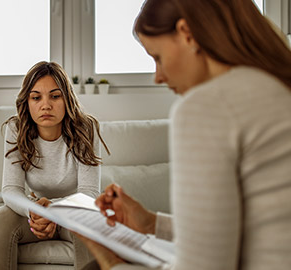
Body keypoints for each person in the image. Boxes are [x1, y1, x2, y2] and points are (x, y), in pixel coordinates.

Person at [77, 0, 291, 269]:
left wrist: (109, 260)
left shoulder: (207, 106)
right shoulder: (276, 85)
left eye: (157, 57)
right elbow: (249, 226)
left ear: (187, 33)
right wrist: (153, 223)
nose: (158, 76)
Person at [0, 61, 110, 270]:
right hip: (36, 215)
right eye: (36, 97)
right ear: (28, 101)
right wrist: (35, 211)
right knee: (0, 218)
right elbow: (11, 190)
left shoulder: (86, 128)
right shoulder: (16, 128)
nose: (46, 105)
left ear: (67, 98)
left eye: (55, 96)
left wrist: (55, 210)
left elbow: (88, 192)